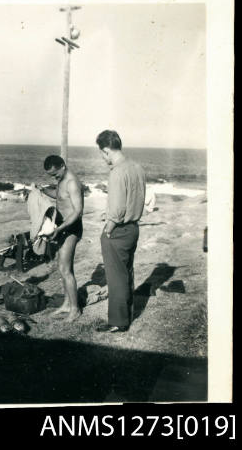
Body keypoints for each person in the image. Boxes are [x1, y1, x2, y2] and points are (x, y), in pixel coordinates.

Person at [96, 130, 146, 333]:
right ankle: (127, 315)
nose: (102, 157)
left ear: (106, 150)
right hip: (133, 228)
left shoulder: (117, 172)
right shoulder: (137, 167)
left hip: (119, 231)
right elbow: (134, 199)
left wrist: (108, 227)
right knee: (126, 274)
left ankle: (118, 322)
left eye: (101, 152)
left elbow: (117, 210)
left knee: (116, 278)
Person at [37, 155, 84, 322]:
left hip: (71, 228)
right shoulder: (62, 179)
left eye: (55, 174)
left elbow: (78, 211)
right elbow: (59, 196)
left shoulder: (72, 182)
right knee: (62, 267)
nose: (53, 177)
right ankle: (66, 303)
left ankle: (75, 309)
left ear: (63, 165)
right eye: (51, 175)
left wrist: (60, 228)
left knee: (65, 269)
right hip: (62, 227)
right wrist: (41, 189)